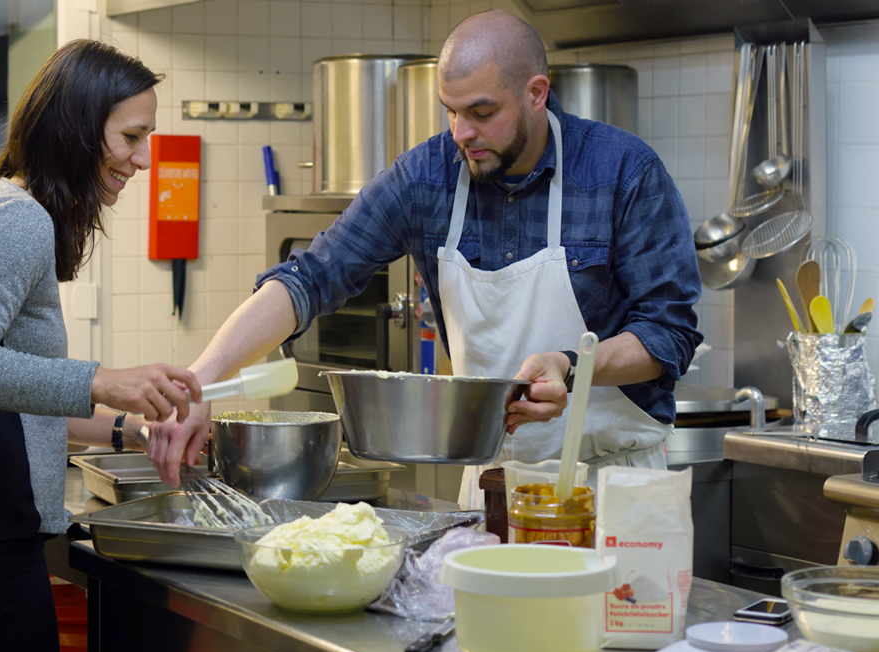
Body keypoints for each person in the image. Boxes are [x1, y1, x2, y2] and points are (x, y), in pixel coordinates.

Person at [148, 10, 703, 505]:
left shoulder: (623, 172)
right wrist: (201, 383)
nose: (462, 133)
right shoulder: (425, 178)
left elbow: (667, 333)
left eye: (482, 113)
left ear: (537, 93)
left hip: (614, 489)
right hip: (492, 486)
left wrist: (572, 365)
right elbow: (310, 277)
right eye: (451, 112)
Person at [0, 40, 200, 652]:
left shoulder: (2, 204)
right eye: (132, 137)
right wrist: (103, 380)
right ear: (79, 128)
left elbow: (10, 397)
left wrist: (133, 424)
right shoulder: (18, 216)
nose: (144, 159)